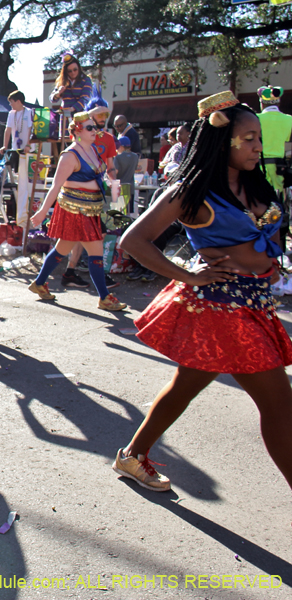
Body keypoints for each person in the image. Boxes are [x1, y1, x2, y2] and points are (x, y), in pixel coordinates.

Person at [114, 91, 292, 499]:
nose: (257, 146)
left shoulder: (253, 183)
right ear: (221, 139)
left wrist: (270, 262)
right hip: (224, 310)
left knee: (186, 384)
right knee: (282, 407)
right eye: (248, 138)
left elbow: (268, 237)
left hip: (255, 304)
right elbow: (133, 240)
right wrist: (188, 275)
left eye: (258, 138)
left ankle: (131, 455)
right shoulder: (192, 192)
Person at [29, 112, 127, 311]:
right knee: (95, 249)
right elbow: (55, 186)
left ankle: (39, 283)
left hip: (92, 208)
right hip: (74, 210)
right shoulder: (69, 155)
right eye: (90, 128)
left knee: (62, 249)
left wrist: (116, 195)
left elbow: (104, 175)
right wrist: (42, 213)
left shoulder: (92, 150)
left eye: (95, 127)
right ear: (77, 131)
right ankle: (104, 297)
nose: (94, 131)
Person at [60, 86, 121, 290]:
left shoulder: (110, 139)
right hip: (78, 195)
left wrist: (114, 185)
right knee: (88, 236)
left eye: (106, 113)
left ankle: (70, 272)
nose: (103, 117)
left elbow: (111, 167)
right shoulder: (80, 137)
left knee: (88, 236)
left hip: (99, 193)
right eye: (99, 113)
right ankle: (97, 278)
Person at [0, 90, 35, 229]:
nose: (10, 105)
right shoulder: (11, 114)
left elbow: (32, 129)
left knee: (26, 181)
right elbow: (8, 130)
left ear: (18, 101)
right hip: (15, 150)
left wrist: (28, 144)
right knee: (16, 181)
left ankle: (25, 213)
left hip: (27, 151)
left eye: (12, 102)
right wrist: (5, 145)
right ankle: (17, 212)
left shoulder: (29, 112)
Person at [256, 85, 292, 193]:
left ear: (261, 103)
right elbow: (286, 138)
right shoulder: (289, 119)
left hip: (258, 166)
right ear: (279, 103)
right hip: (278, 168)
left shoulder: (254, 118)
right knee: (278, 201)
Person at [50, 52, 93, 137]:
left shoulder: (85, 80)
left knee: (79, 140)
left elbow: (85, 99)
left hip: (80, 117)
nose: (73, 72)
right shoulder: (62, 81)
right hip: (65, 119)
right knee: (66, 141)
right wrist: (58, 93)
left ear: (79, 68)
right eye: (69, 71)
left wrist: (72, 109)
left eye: (75, 69)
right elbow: (52, 99)